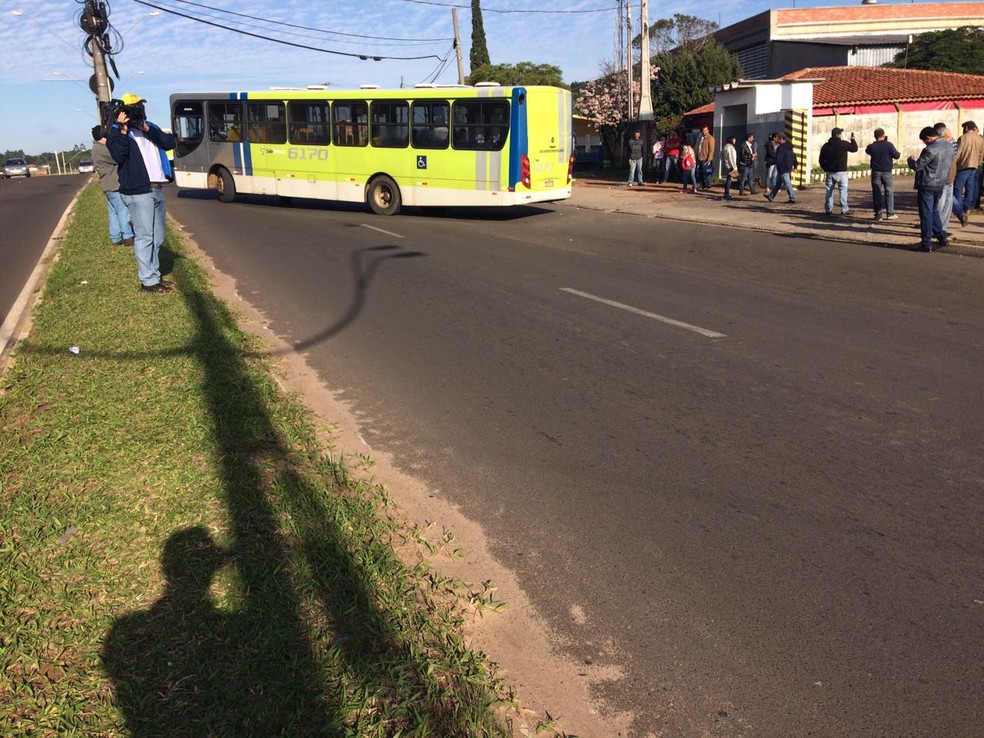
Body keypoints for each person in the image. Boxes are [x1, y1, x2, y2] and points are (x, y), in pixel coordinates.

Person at [107, 92, 177, 294]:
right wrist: (121, 129)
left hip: (156, 188)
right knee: (145, 237)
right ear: (123, 111)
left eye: (140, 106)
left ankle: (154, 276)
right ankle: (148, 281)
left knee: (158, 237)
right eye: (133, 108)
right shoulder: (117, 132)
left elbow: (169, 142)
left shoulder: (149, 127)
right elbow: (118, 155)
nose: (138, 110)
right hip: (138, 191)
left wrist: (145, 127)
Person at [908, 126, 955, 252]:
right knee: (934, 212)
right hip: (940, 183)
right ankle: (942, 237)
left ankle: (926, 243)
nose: (924, 143)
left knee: (926, 214)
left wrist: (910, 161)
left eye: (924, 140)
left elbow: (918, 166)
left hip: (927, 184)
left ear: (928, 138)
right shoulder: (949, 146)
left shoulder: (930, 149)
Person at [91, 124, 134, 248]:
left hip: (107, 185)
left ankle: (115, 237)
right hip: (114, 184)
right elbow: (118, 157)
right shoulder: (102, 149)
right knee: (123, 211)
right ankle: (127, 236)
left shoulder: (96, 148)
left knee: (113, 212)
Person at [818, 127, 858, 215]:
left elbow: (821, 160)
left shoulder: (826, 146)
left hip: (830, 172)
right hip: (841, 172)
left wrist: (826, 168)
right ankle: (844, 209)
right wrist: (853, 140)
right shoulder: (843, 144)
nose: (841, 135)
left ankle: (828, 209)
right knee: (843, 190)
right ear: (837, 135)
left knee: (829, 191)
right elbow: (854, 148)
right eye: (840, 134)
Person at [864, 128, 901, 221]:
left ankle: (878, 214)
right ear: (884, 135)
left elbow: (867, 150)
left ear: (875, 136)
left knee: (877, 192)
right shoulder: (889, 145)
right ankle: (890, 213)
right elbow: (897, 155)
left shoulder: (872, 146)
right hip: (887, 171)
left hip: (876, 171)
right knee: (889, 192)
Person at [953, 121, 983, 226]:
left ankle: (959, 209)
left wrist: (953, 164)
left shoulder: (963, 138)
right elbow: (981, 153)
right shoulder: (979, 138)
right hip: (974, 166)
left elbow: (958, 152)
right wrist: (978, 163)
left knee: (958, 187)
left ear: (966, 128)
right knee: (970, 188)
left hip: (963, 166)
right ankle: (967, 207)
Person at [934, 123, 962, 235]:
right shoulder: (942, 145)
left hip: (948, 177)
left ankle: (942, 228)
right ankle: (939, 228)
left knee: (945, 205)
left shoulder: (949, 144)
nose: (951, 139)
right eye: (948, 137)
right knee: (942, 204)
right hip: (946, 178)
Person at [763, 133, 798, 203]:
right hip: (786, 167)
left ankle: (793, 198)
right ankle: (771, 196)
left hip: (783, 168)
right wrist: (795, 165)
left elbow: (778, 159)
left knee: (787, 184)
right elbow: (794, 156)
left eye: (777, 138)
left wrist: (769, 163)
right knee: (778, 184)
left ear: (781, 139)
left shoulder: (781, 147)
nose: (776, 139)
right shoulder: (789, 147)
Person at [697, 125, 715, 190]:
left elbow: (711, 149)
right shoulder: (700, 138)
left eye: (705, 130)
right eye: (703, 130)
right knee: (701, 172)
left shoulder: (710, 138)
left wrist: (709, 159)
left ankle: (709, 184)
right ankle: (703, 184)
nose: (704, 132)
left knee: (707, 172)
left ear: (708, 131)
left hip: (706, 158)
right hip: (700, 157)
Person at [721, 135, 738, 200]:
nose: (735, 140)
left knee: (729, 179)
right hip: (731, 166)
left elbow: (721, 156)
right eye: (734, 139)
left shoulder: (725, 147)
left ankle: (727, 192)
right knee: (729, 179)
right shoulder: (730, 148)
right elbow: (731, 158)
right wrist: (734, 167)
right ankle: (727, 193)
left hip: (728, 165)